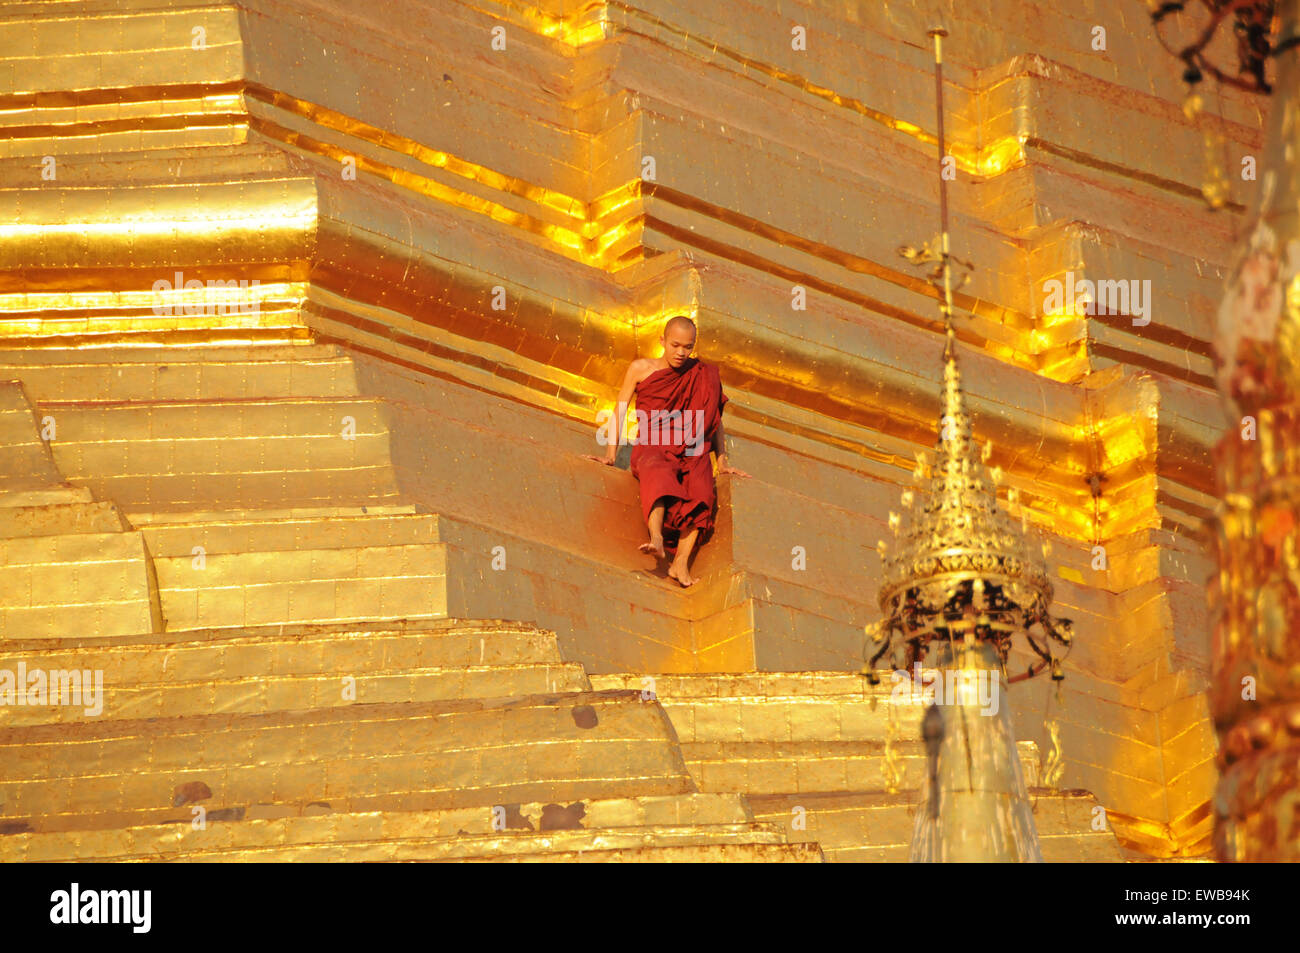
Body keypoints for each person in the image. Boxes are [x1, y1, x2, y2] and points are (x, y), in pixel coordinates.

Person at [583, 315, 749, 587]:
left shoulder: (702, 374)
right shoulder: (641, 368)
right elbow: (620, 409)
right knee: (656, 472)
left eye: (688, 347)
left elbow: (714, 420)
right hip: (653, 441)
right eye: (675, 345)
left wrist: (722, 461)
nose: (681, 353)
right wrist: (610, 455)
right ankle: (656, 537)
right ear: (662, 341)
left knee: (703, 490)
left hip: (692, 444)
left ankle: (680, 563)